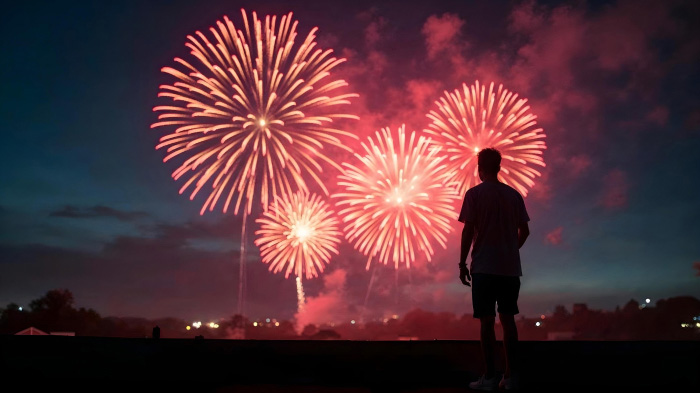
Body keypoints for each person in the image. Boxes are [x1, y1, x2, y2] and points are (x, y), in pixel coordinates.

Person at [458, 148, 530, 391]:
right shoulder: (514, 196)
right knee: (509, 322)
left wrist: (462, 263)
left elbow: (468, 231)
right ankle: (510, 377)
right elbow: (525, 232)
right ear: (498, 167)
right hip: (510, 269)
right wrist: (511, 249)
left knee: (486, 323)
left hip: (484, 268)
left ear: (481, 169)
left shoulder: (474, 194)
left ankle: (489, 377)